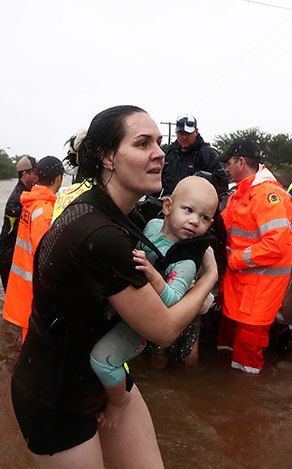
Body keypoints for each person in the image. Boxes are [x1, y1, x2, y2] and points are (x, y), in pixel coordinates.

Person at [11, 106, 218, 469]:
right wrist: (208, 279)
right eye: (143, 144)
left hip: (105, 371)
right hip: (56, 395)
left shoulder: (120, 214)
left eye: (159, 142)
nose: (159, 152)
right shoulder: (99, 234)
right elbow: (162, 330)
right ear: (107, 156)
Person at [90, 176, 219, 426]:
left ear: (210, 223)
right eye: (189, 210)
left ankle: (119, 403)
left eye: (204, 218)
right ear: (168, 206)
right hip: (124, 306)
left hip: (140, 326)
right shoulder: (150, 226)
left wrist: (152, 274)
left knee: (102, 361)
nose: (194, 221)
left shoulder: (185, 262)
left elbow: (172, 301)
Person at [216, 140, 292, 374]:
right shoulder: (240, 193)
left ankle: (246, 398)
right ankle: (225, 382)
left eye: (228, 164)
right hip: (239, 281)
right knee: (228, 336)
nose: (226, 169)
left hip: (260, 285)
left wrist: (233, 260)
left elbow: (276, 245)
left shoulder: (268, 194)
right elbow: (222, 225)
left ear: (241, 162)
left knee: (249, 342)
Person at [2, 156, 65, 342]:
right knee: (35, 346)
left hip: (24, 286)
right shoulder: (44, 211)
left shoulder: (31, 202)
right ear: (59, 179)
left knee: (28, 343)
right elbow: (45, 259)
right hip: (34, 291)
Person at [0, 156, 38, 291]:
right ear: (25, 174)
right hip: (8, 255)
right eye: (35, 173)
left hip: (12, 252)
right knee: (13, 297)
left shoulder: (27, 192)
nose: (38, 177)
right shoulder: (19, 199)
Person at [160, 114, 229, 197]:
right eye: (181, 133)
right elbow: (156, 180)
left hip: (196, 205)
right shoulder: (168, 153)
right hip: (169, 204)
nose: (184, 137)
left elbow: (222, 185)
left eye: (188, 133)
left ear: (196, 131)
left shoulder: (207, 154)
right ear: (176, 133)